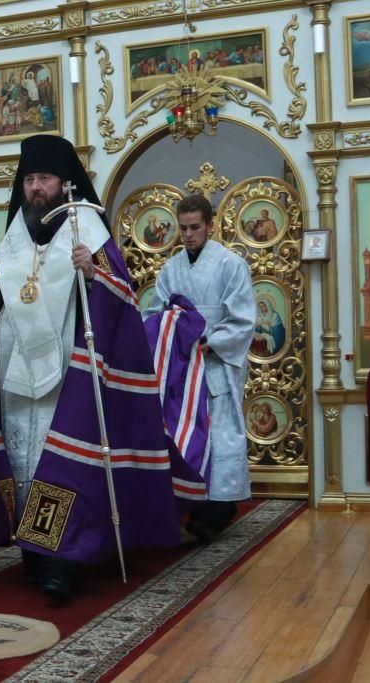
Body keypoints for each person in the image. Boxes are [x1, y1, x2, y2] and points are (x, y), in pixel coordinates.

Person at [0, 134, 182, 603]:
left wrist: (94, 274)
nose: (36, 188)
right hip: (17, 378)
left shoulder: (88, 233)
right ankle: (33, 554)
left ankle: (63, 561)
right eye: (29, 179)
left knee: (63, 464)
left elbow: (124, 298)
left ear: (64, 184)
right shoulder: (13, 241)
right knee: (24, 463)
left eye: (45, 179)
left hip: (69, 379)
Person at [144, 193, 255, 543]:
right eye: (183, 228)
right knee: (183, 435)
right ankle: (188, 502)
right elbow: (157, 313)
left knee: (219, 436)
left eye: (195, 227)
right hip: (181, 367)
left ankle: (218, 509)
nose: (188, 235)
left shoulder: (231, 265)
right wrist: (168, 337)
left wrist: (210, 342)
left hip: (216, 364)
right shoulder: (170, 269)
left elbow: (242, 319)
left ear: (210, 225)